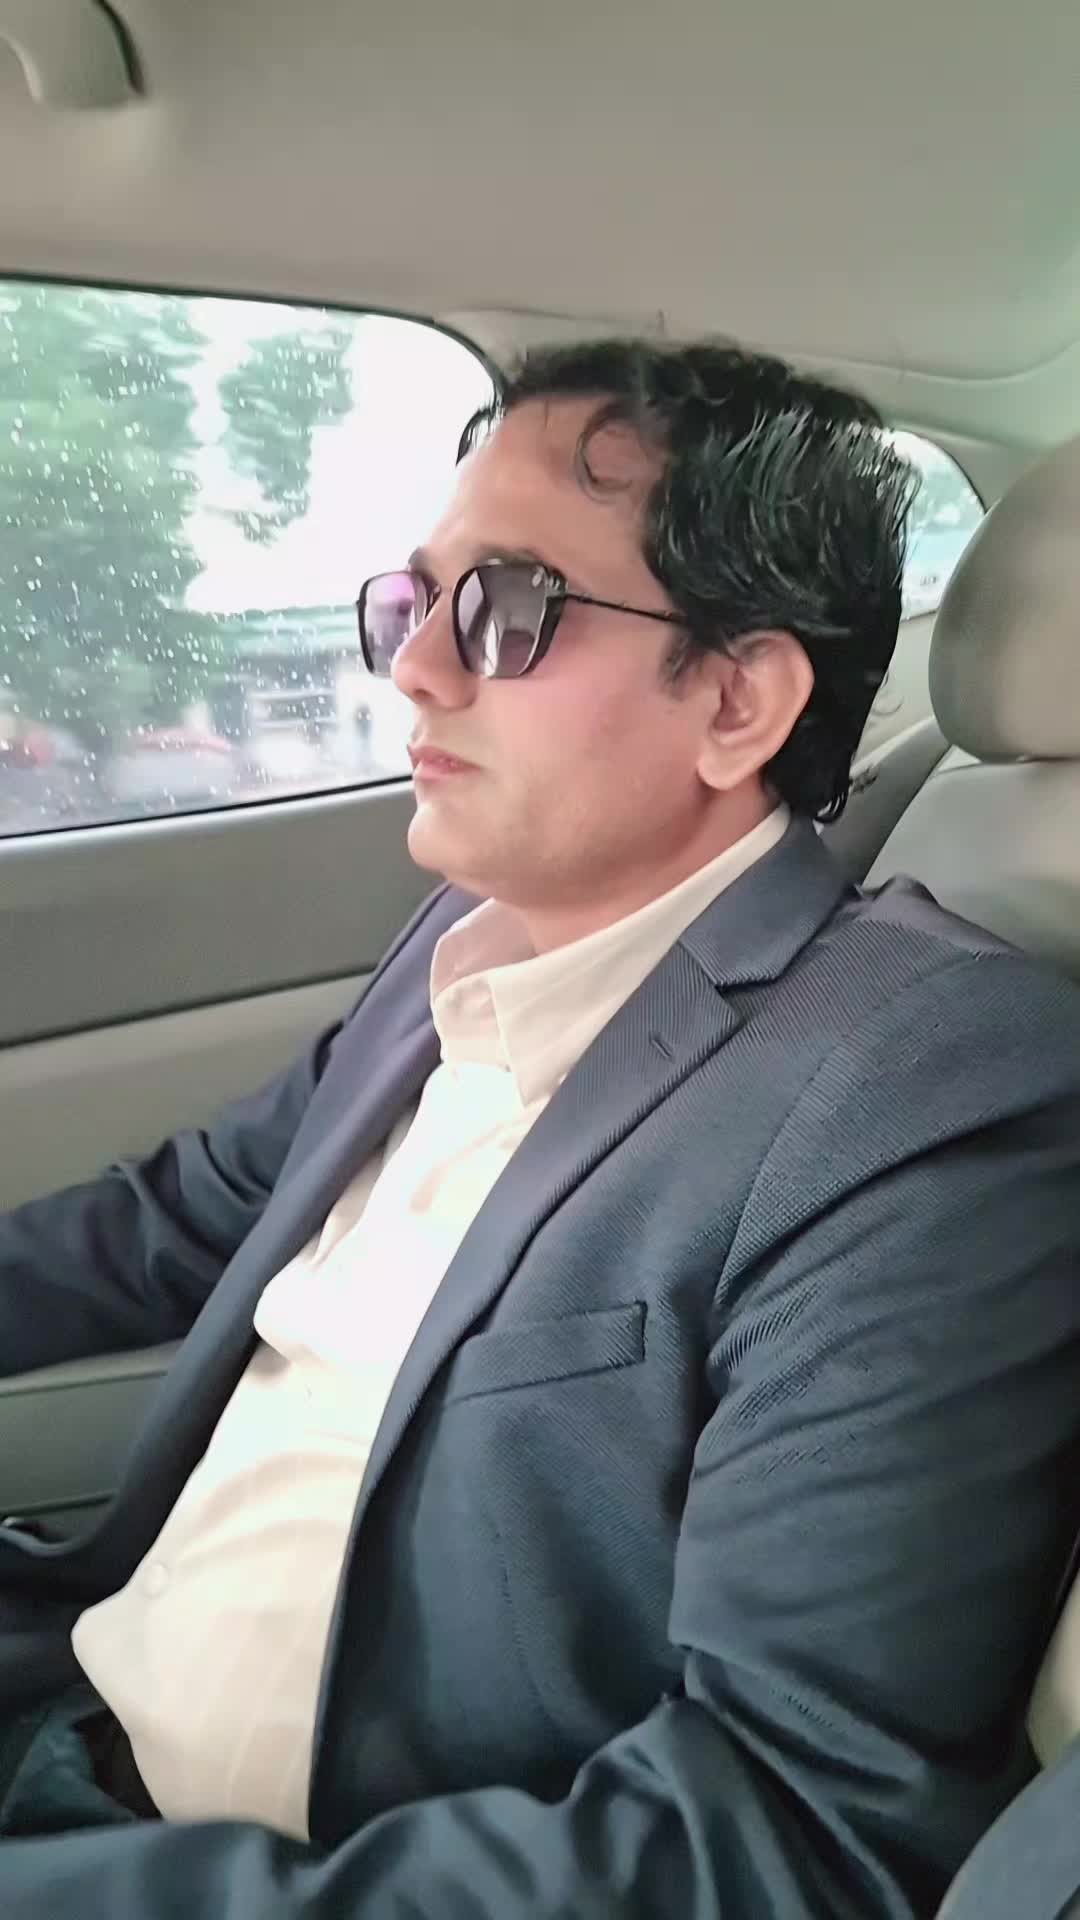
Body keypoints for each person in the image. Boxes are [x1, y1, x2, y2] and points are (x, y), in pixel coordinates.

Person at [1, 338, 1079, 1919]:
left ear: (736, 703)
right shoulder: (462, 941)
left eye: (509, 607)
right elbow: (195, 1210)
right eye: (411, 599)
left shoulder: (926, 1091)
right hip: (69, 1696)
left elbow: (787, 1822)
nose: (416, 668)